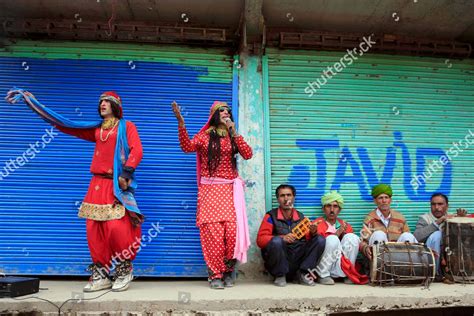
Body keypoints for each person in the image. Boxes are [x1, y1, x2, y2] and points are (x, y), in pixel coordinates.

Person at [5, 89, 144, 292]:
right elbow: (67, 126)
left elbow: (137, 149)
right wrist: (35, 104)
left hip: (114, 184)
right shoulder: (97, 130)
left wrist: (127, 172)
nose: (102, 104)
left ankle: (123, 270)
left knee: (117, 227)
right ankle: (102, 273)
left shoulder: (127, 126)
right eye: (100, 102)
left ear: (116, 105)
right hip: (96, 185)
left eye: (106, 101)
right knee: (93, 229)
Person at [172, 100, 253, 289]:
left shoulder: (233, 137)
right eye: (221, 111)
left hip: (230, 192)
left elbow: (247, 154)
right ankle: (215, 275)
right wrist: (181, 123)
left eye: (228, 111)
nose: (226, 113)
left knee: (233, 234)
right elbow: (187, 147)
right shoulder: (204, 137)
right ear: (214, 115)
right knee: (213, 234)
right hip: (210, 191)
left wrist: (234, 132)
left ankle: (227, 271)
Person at [256, 184, 326, 287]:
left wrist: (313, 232)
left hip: (297, 259)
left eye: (289, 195)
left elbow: (309, 240)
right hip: (280, 259)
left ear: (293, 197)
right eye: (282, 195)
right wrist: (282, 238)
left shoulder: (301, 217)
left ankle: (302, 274)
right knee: (276, 242)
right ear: (278, 199)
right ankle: (280, 275)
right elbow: (260, 240)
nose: (286, 199)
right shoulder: (270, 216)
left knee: (319, 239)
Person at [313, 191, 367, 285]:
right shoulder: (317, 224)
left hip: (340, 262)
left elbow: (352, 246)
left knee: (352, 237)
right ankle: (323, 275)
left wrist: (344, 235)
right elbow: (317, 245)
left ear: (339, 210)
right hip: (324, 262)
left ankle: (348, 274)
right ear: (323, 209)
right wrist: (337, 234)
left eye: (335, 206)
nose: (332, 209)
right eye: (328, 206)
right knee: (332, 239)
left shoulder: (345, 225)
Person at [414, 192, 468, 281]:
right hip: (430, 255)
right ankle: (435, 273)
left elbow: (465, 241)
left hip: (449, 254)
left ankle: (454, 272)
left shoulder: (452, 218)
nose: (436, 207)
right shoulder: (425, 218)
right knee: (437, 235)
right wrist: (437, 222)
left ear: (447, 206)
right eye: (433, 204)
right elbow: (416, 237)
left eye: (440, 204)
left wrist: (462, 221)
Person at [360, 184, 417, 260]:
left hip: (398, 255)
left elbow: (409, 238)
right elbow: (362, 241)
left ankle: (408, 268)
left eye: (386, 197)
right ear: (375, 201)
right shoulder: (369, 219)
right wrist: (365, 248)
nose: (384, 201)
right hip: (380, 257)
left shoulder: (400, 218)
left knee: (408, 236)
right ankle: (379, 269)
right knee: (378, 234)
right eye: (380, 198)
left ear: (390, 200)